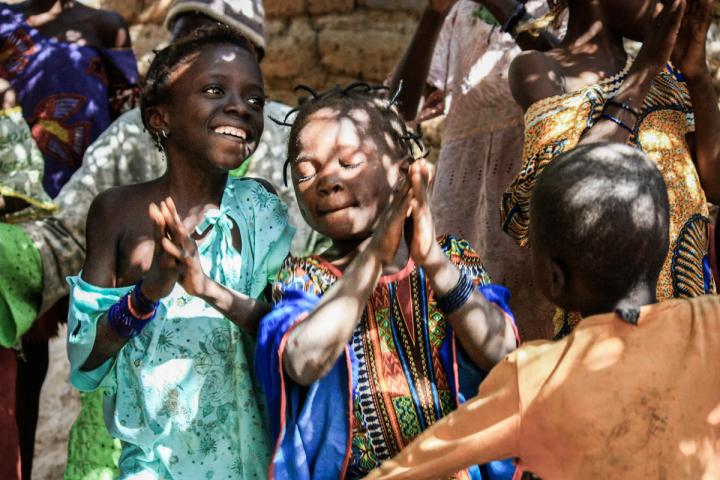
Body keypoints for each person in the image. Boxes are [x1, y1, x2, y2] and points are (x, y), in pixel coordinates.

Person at [366, 142, 720, 480]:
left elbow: (410, 468)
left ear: (553, 277)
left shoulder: (534, 377)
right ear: (661, 248)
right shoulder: (710, 323)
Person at [255, 85, 519, 479]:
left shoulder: (451, 258)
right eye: (306, 172)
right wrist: (374, 257)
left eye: (348, 163)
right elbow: (302, 361)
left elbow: (503, 352)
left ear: (401, 169)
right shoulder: (304, 278)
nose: (326, 180)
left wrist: (432, 261)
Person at [66, 26, 293, 478]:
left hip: (254, 460)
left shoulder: (261, 208)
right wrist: (147, 294)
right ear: (159, 117)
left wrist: (205, 289)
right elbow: (84, 361)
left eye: (255, 100)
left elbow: (286, 333)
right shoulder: (117, 213)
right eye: (215, 89)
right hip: (155, 467)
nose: (239, 107)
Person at [501, 0, 719, 336]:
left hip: (688, 324)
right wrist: (644, 70)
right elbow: (573, 190)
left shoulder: (670, 78)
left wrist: (697, 75)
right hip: (605, 337)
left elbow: (714, 185)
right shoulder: (540, 70)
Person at [0, 1, 138, 477]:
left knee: (103, 338)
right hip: (19, 219)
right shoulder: (3, 23)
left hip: (89, 215)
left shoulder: (104, 27)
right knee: (21, 353)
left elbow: (132, 120)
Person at [389, 0, 563, 340]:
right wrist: (434, 13)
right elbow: (401, 105)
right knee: (455, 332)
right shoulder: (462, 13)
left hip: (526, 205)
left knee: (529, 335)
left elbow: (573, 75)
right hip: (461, 198)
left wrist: (506, 10)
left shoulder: (562, 9)